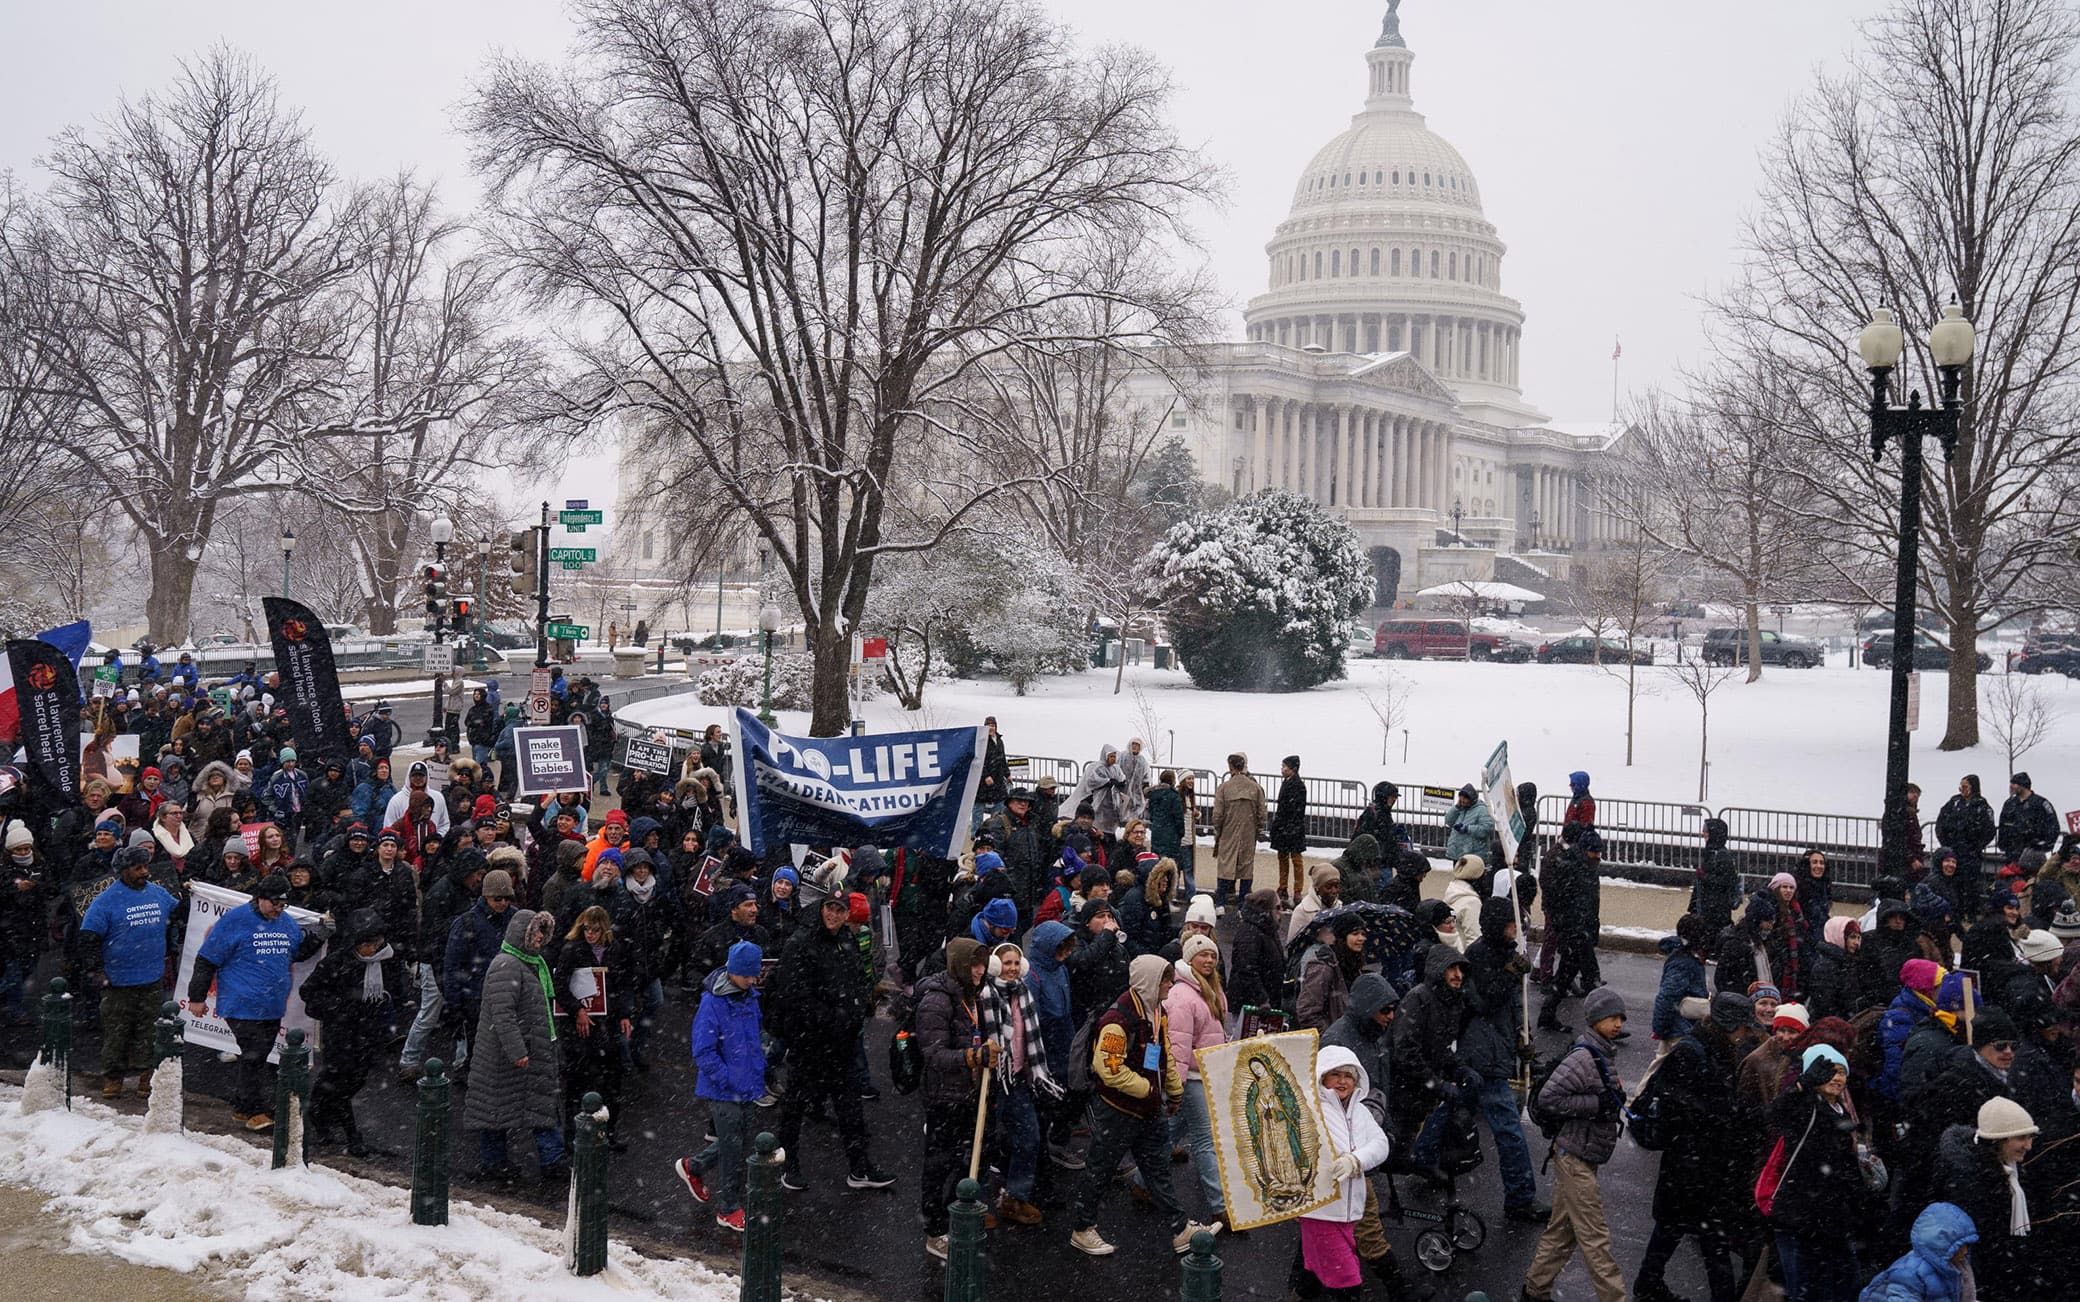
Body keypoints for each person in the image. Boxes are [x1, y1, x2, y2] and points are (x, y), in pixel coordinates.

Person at [1067, 953, 1220, 1257]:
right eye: (1165, 979)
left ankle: (1179, 1229)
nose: (1170, 983)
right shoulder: (1117, 1021)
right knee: (1100, 1169)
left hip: (1146, 1110)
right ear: (1150, 982)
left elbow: (1163, 1057)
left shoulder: (1156, 1012)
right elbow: (1109, 1068)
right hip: (1119, 1111)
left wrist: (1172, 1091)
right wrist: (1150, 1090)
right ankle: (1082, 1228)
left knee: (1157, 1170)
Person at [769, 893, 895, 1193]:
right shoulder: (801, 943)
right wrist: (829, 1017)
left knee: (850, 1107)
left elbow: (854, 980)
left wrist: (857, 1009)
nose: (834, 916)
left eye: (840, 911)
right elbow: (792, 993)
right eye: (830, 908)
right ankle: (788, 1164)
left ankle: (859, 1167)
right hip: (809, 1041)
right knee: (795, 1106)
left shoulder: (845, 941)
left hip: (841, 1043)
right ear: (822, 908)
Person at [1634, 992, 1755, 1302]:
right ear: (1728, 1025)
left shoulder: (1713, 1048)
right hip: (1692, 1164)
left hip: (1698, 1164)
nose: (1746, 1034)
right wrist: (1727, 1115)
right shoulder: (1693, 1052)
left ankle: (1648, 1284)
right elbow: (1683, 1106)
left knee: (1674, 1229)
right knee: (1709, 1239)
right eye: (1743, 1026)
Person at [185, 873, 330, 1131]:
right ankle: (254, 1111)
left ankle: (242, 1105)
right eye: (274, 904)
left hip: (272, 1005)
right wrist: (196, 997)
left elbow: (297, 952)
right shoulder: (235, 921)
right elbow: (207, 959)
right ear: (260, 899)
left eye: (282, 904)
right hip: (241, 1003)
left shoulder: (285, 922)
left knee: (258, 1055)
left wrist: (320, 934)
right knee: (254, 1054)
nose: (278, 909)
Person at [1521, 988, 1629, 1302]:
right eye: (1611, 1018)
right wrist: (1597, 1104)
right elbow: (1549, 1098)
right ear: (1595, 1020)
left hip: (1580, 1154)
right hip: (1574, 1158)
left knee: (1563, 1231)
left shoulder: (1603, 1051)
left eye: (1620, 1017)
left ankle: (1535, 1289)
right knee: (1595, 1238)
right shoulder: (1584, 1057)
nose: (1618, 1023)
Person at [464, 909, 566, 1181]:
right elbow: (502, 1013)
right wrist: (517, 1050)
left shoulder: (532, 962)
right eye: (536, 933)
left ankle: (547, 1160)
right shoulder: (507, 965)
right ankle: (501, 1163)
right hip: (506, 1056)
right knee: (497, 1110)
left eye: (543, 933)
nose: (540, 939)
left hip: (528, 1050)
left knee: (532, 1106)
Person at [676, 940, 768, 1233]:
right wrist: (727, 1079)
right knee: (733, 1149)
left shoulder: (749, 996)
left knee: (738, 1142)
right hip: (725, 1089)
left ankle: (695, 1167)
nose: (752, 981)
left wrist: (761, 1061)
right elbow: (703, 1051)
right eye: (748, 976)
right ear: (733, 972)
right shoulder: (712, 1003)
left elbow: (754, 1036)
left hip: (747, 1085)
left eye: (755, 976)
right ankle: (729, 1207)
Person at [300, 908, 408, 1156]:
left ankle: (316, 1111)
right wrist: (340, 1005)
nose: (373, 948)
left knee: (352, 1081)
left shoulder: (388, 962)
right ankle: (351, 1135)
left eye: (377, 943)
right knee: (340, 1083)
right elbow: (309, 992)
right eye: (367, 944)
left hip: (369, 1035)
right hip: (340, 1034)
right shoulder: (337, 962)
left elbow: (397, 995)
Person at [1290, 1046, 1393, 1302]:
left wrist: (1355, 1160)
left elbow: (1381, 1145)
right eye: (1335, 1074)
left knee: (1314, 1270)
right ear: (1322, 1076)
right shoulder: (1308, 1109)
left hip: (1349, 1212)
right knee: (1347, 1282)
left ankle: (1302, 1294)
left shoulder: (1360, 1111)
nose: (1343, 1081)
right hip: (1319, 1210)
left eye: (1348, 1075)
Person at [77, 846, 180, 1098]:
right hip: (118, 981)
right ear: (123, 871)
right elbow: (88, 938)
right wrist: (95, 970)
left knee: (150, 1031)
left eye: (146, 867)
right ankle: (113, 1077)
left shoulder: (159, 893)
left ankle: (147, 1077)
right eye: (137, 868)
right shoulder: (106, 901)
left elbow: (179, 912)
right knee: (118, 1031)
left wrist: (195, 896)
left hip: (152, 977)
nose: (144, 872)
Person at [1765, 1046, 1863, 1302]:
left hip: (1829, 1220)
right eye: (1829, 1071)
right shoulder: (1806, 1107)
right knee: (1804, 1289)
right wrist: (1801, 1086)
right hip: (1800, 1217)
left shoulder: (1842, 1110)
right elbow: (1776, 1113)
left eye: (1842, 1072)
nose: (1837, 1078)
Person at [915, 936, 990, 1259]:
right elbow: (933, 1055)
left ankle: (955, 1212)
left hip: (970, 1093)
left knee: (972, 1155)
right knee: (939, 1162)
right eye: (974, 964)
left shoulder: (973, 996)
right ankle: (934, 1228)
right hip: (945, 1096)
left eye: (982, 963)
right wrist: (972, 1057)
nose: (980, 970)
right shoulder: (936, 1001)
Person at [1934, 1097, 2035, 1299]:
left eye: (2030, 1137)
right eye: (2021, 1138)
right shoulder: (1968, 1178)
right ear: (1999, 1140)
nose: (2028, 1146)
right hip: (1985, 1277)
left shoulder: (2012, 1168)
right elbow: (1973, 1242)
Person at [554, 905, 636, 1150]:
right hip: (580, 1029)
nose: (590, 934)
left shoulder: (616, 950)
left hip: (606, 1026)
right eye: (587, 929)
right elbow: (559, 985)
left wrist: (623, 1014)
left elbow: (622, 984)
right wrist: (577, 1009)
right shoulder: (571, 950)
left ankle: (607, 1133)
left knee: (611, 1083)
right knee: (578, 1083)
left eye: (595, 930)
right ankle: (572, 1137)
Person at [1164, 933, 1230, 1228]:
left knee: (1171, 1132)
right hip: (1191, 1079)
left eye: (1213, 955)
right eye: (1202, 955)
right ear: (1189, 958)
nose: (1209, 960)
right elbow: (1178, 1049)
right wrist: (1174, 1090)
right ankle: (1220, 1207)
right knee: (1206, 1141)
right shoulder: (1182, 997)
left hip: (1204, 1075)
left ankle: (1141, 1181)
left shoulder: (1210, 988)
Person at [1857, 1202, 1977, 1302]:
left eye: (1966, 1245)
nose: (1965, 1251)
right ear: (1939, 1245)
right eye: (1958, 1247)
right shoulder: (1910, 1273)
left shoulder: (1955, 1268)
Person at [1211, 754, 1266, 912]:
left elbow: (1217, 815)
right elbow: (1262, 813)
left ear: (1231, 767)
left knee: (1225, 866)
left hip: (1228, 832)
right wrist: (1257, 829)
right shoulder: (1255, 787)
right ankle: (1243, 903)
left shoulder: (1225, 788)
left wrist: (1219, 829)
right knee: (1246, 868)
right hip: (1248, 834)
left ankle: (1220, 903)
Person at [1270, 756, 1308, 906]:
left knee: (1295, 859)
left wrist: (1288, 826)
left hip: (1291, 827)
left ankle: (1297, 890)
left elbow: (1297, 810)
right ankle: (1283, 886)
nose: (1282, 769)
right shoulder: (1288, 783)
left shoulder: (1298, 786)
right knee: (1284, 857)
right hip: (1286, 827)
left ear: (1292, 769)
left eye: (1284, 766)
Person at [1997, 773, 2058, 863]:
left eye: (2014, 784)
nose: (2011, 786)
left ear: (2023, 785)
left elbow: (2053, 826)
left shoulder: (2040, 803)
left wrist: (2043, 845)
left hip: (2033, 854)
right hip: (2012, 853)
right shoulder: (2010, 803)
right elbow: (2003, 825)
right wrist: (2003, 844)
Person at [1286, 862, 1343, 946]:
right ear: (1317, 888)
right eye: (1328, 887)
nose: (1334, 891)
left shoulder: (1340, 907)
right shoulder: (1302, 910)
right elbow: (1292, 944)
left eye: (1337, 886)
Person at [1443, 785, 1494, 863]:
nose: (1462, 800)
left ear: (1471, 799)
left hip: (1473, 855)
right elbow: (1449, 821)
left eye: (1465, 798)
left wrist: (1467, 828)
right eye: (1461, 797)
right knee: (1459, 875)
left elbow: (1487, 828)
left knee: (1470, 875)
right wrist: (1456, 808)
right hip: (1458, 853)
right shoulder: (1460, 808)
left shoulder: (1482, 810)